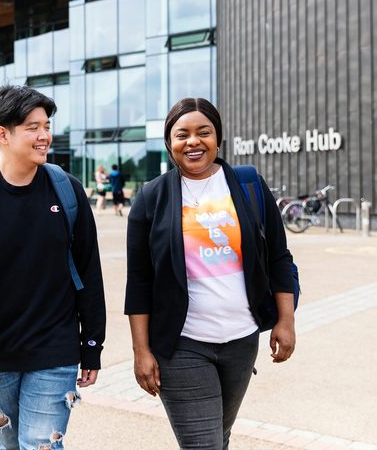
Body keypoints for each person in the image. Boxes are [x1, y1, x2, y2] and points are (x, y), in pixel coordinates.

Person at [0, 85, 106, 450]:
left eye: (46, 125)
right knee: (9, 445)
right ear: (3, 134)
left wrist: (92, 343)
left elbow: (89, 272)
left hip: (56, 349)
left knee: (40, 445)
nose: (45, 135)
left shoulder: (67, 191)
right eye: (33, 127)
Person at [124, 97, 297, 450]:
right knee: (203, 445)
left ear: (218, 138)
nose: (193, 141)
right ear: (169, 143)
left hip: (241, 340)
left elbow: (279, 258)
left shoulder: (249, 185)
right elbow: (139, 281)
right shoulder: (151, 198)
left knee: (219, 437)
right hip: (182, 343)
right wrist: (141, 351)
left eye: (204, 132)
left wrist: (286, 320)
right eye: (181, 134)